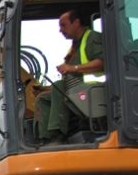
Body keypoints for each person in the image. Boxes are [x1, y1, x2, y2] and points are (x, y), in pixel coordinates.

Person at [34, 9, 104, 144]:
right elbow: (68, 80)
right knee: (42, 99)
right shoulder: (74, 48)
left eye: (63, 25)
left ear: (76, 22)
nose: (60, 30)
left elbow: (101, 63)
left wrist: (72, 68)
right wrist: (46, 89)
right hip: (77, 91)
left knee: (59, 86)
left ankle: (59, 133)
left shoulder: (92, 38)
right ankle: (46, 138)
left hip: (94, 91)